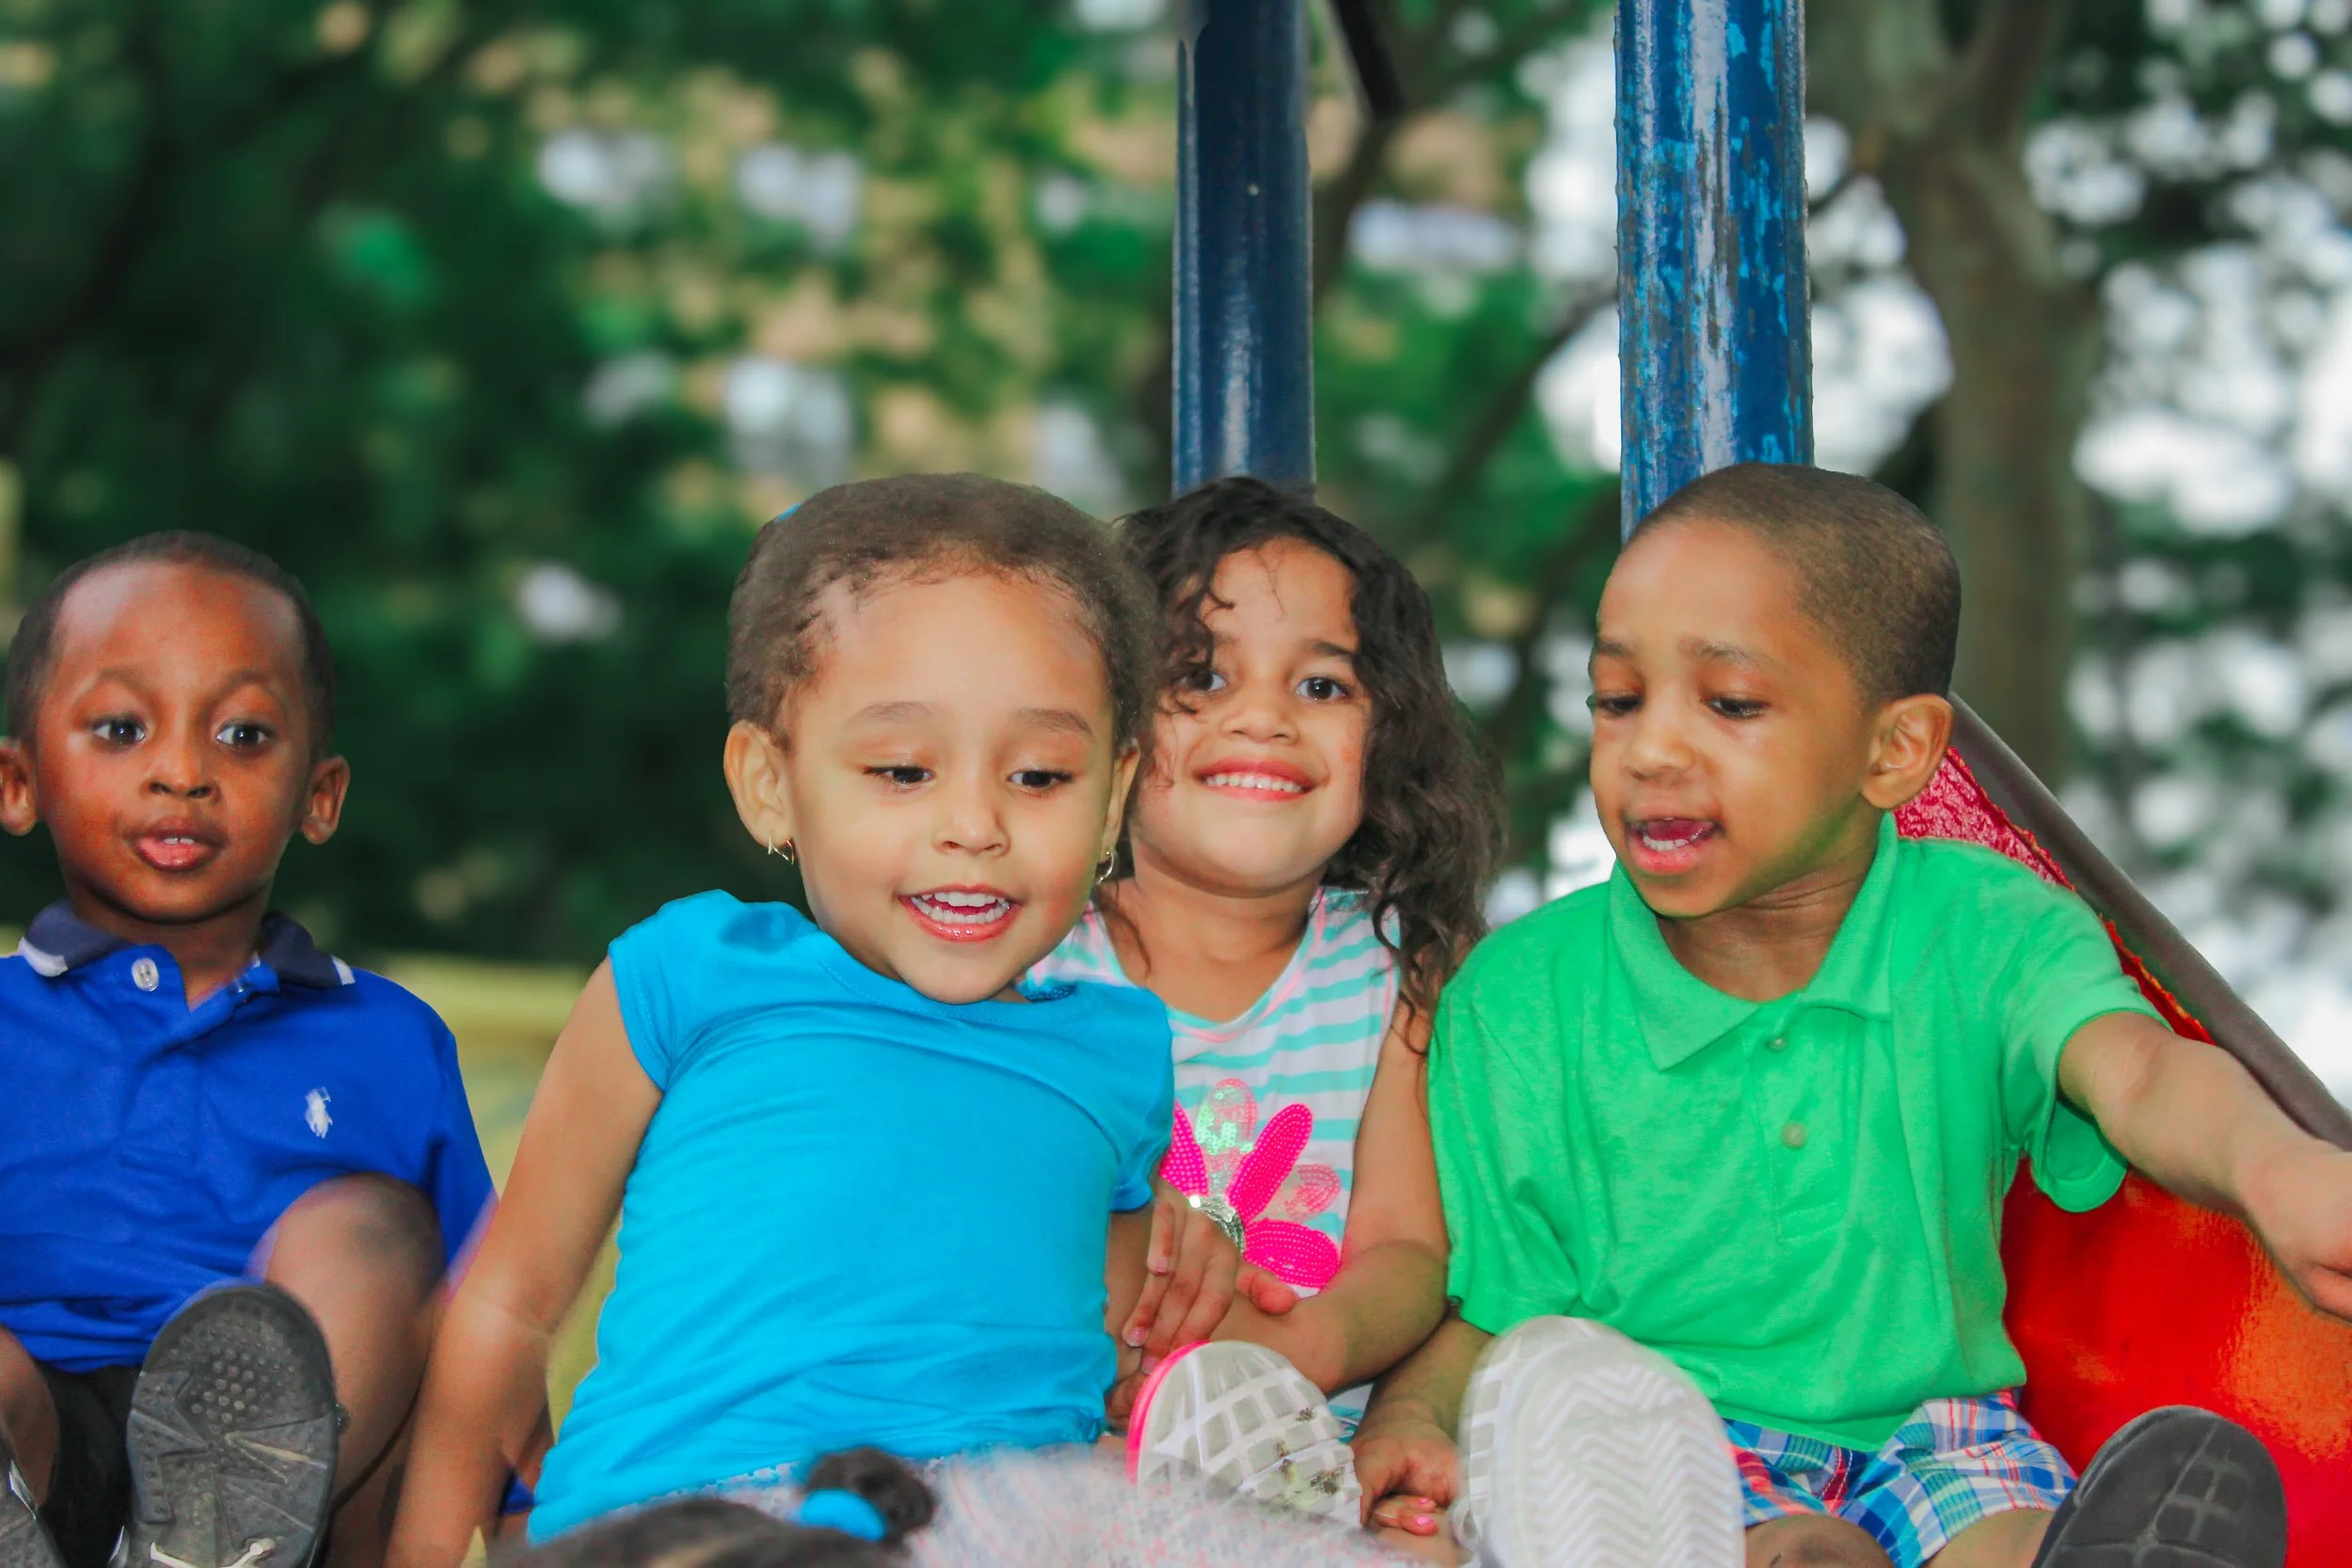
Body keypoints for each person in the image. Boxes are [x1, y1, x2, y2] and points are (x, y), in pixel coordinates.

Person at [1372, 463, 2352, 1568]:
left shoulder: (1985, 925)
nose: (1649, 749)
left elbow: (2139, 1071)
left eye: (1730, 703)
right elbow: (1499, 1309)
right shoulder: (1523, 1000)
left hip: (1934, 1432)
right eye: (1617, 698)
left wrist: (2277, 1166)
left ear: (1893, 751)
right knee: (1726, 1533)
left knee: (2012, 1529)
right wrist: (1406, 1420)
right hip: (1662, 1443)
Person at [388, 473, 1199, 1561]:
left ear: (1113, 794)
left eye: (1041, 774)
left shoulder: (1121, 1054)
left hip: (997, 1524)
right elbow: (506, 1304)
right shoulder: (686, 975)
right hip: (690, 1519)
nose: (974, 823)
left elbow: (1097, 1358)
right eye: (902, 769)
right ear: (770, 782)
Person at [0, 533, 497, 1568]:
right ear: (19, 779)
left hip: (293, 1485)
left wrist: (539, 1520)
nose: (182, 771)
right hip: (35, 1470)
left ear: (320, 795)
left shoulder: (388, 1038)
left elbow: (486, 1328)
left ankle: (205, 1541)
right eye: (122, 727)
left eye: (241, 733)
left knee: (378, 1231)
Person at [1026, 478, 1496, 1539]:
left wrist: (1295, 1355)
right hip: (1072, 1430)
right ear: (1109, 721)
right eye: (1200, 674)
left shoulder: (1396, 974)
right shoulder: (1039, 962)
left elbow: (1407, 1248)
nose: (1263, 716)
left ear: (1385, 741)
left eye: (1324, 686)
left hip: (1308, 1438)